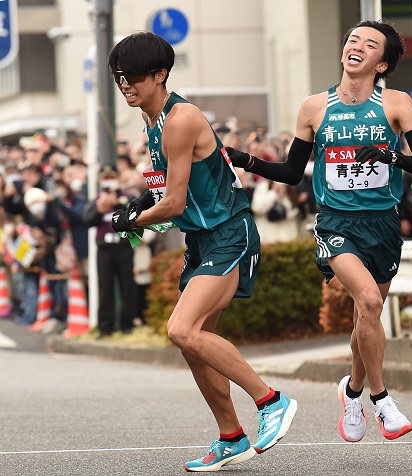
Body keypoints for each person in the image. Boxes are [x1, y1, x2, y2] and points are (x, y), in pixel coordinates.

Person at [223, 19, 412, 442]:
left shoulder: (395, 103)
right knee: (371, 301)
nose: (357, 46)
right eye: (353, 40)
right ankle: (382, 401)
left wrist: (390, 157)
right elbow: (289, 170)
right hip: (336, 222)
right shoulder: (314, 108)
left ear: (383, 63)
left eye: (369, 45)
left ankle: (352, 390)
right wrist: (245, 160)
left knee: (365, 315)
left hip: (383, 223)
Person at [107, 32, 297, 472]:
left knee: (182, 330)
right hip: (202, 240)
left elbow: (173, 204)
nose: (126, 85)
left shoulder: (180, 118)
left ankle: (272, 401)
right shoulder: (152, 122)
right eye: (120, 77)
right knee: (195, 345)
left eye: (134, 76)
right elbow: (177, 198)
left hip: (229, 234)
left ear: (161, 75)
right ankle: (231, 436)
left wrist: (132, 221)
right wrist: (141, 204)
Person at [83, 166, 138, 337]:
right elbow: (87, 220)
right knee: (105, 287)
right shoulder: (98, 200)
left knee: (127, 286)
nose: (109, 181)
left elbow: (135, 216)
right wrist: (99, 211)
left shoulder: (127, 198)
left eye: (112, 177)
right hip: (104, 249)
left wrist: (117, 204)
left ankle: (127, 324)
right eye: (105, 177)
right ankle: (105, 326)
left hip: (123, 247)